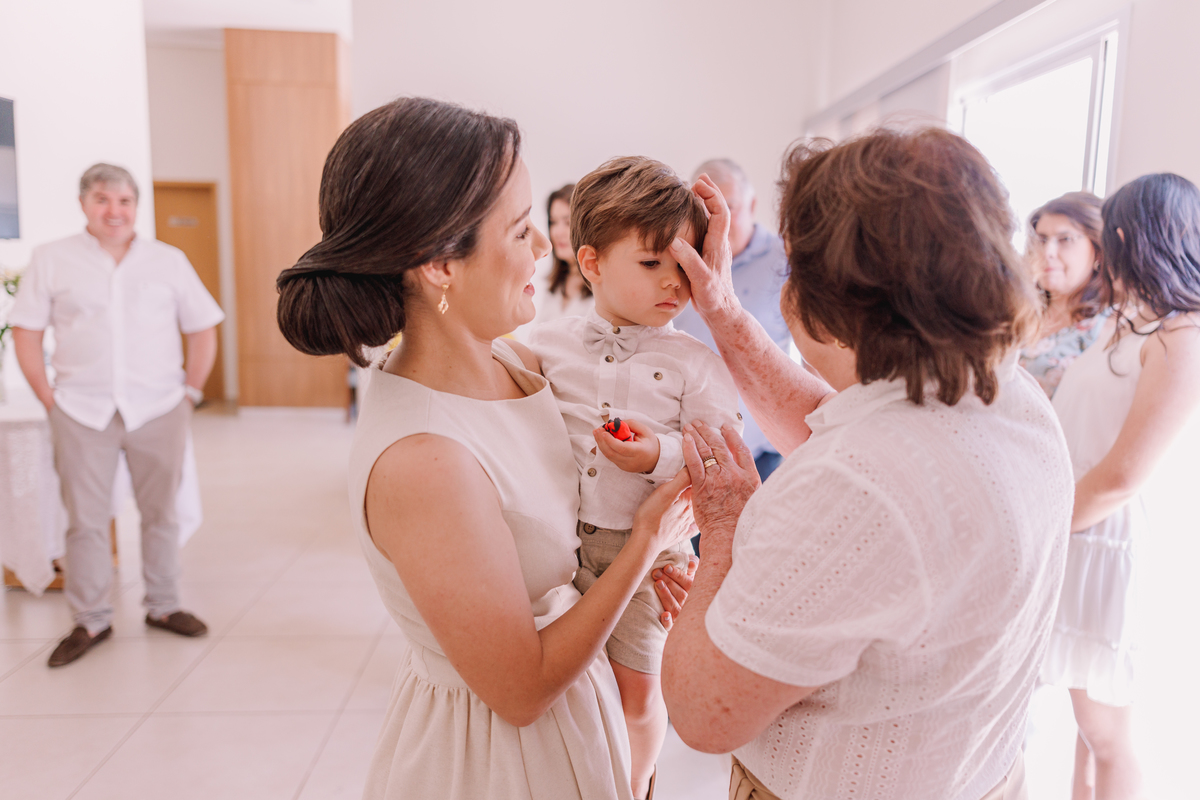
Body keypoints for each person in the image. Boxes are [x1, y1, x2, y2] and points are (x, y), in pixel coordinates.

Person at [275, 98, 695, 800]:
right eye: (522, 229)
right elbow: (521, 689)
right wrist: (645, 545)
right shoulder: (423, 459)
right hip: (501, 758)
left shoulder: (515, 362)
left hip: (579, 711)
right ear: (440, 264)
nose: (542, 249)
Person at [657, 128, 1076, 800]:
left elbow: (704, 712)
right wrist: (726, 314)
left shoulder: (854, 484)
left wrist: (726, 531)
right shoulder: (1004, 391)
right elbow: (840, 424)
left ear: (833, 301)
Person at [528, 156, 741, 800]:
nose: (672, 285)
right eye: (651, 264)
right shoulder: (545, 344)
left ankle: (635, 787)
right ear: (590, 262)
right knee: (563, 687)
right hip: (556, 547)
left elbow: (721, 460)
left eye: (683, 268)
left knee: (638, 693)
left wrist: (658, 456)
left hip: (652, 558)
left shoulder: (696, 364)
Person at [10, 162, 223, 667]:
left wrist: (190, 392)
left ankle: (164, 606)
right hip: (81, 410)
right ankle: (91, 619)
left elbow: (202, 327)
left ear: (136, 207)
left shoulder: (167, 260)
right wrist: (46, 395)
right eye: (104, 200)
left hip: (158, 407)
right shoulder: (51, 259)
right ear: (84, 204)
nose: (115, 211)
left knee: (161, 514)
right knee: (85, 520)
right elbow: (26, 331)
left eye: (125, 201)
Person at [1039, 173, 1200, 800]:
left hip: (1113, 543)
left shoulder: (1182, 337)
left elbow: (1128, 470)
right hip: (1084, 532)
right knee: (1086, 730)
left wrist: (1045, 526)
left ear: (1132, 237)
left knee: (1110, 736)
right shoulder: (1131, 319)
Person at [672, 158, 790, 483]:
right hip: (687, 449)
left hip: (761, 454)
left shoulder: (785, 262)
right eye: (704, 210)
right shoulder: (678, 262)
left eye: (729, 208)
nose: (716, 221)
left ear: (751, 205)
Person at [1019, 192, 1111, 399]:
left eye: (1065, 239)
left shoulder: (1110, 328)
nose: (1048, 251)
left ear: (1097, 250)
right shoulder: (1015, 312)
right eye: (1041, 240)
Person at [536, 183, 594, 322]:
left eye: (567, 223)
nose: (557, 232)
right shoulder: (553, 285)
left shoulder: (602, 288)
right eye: (553, 222)